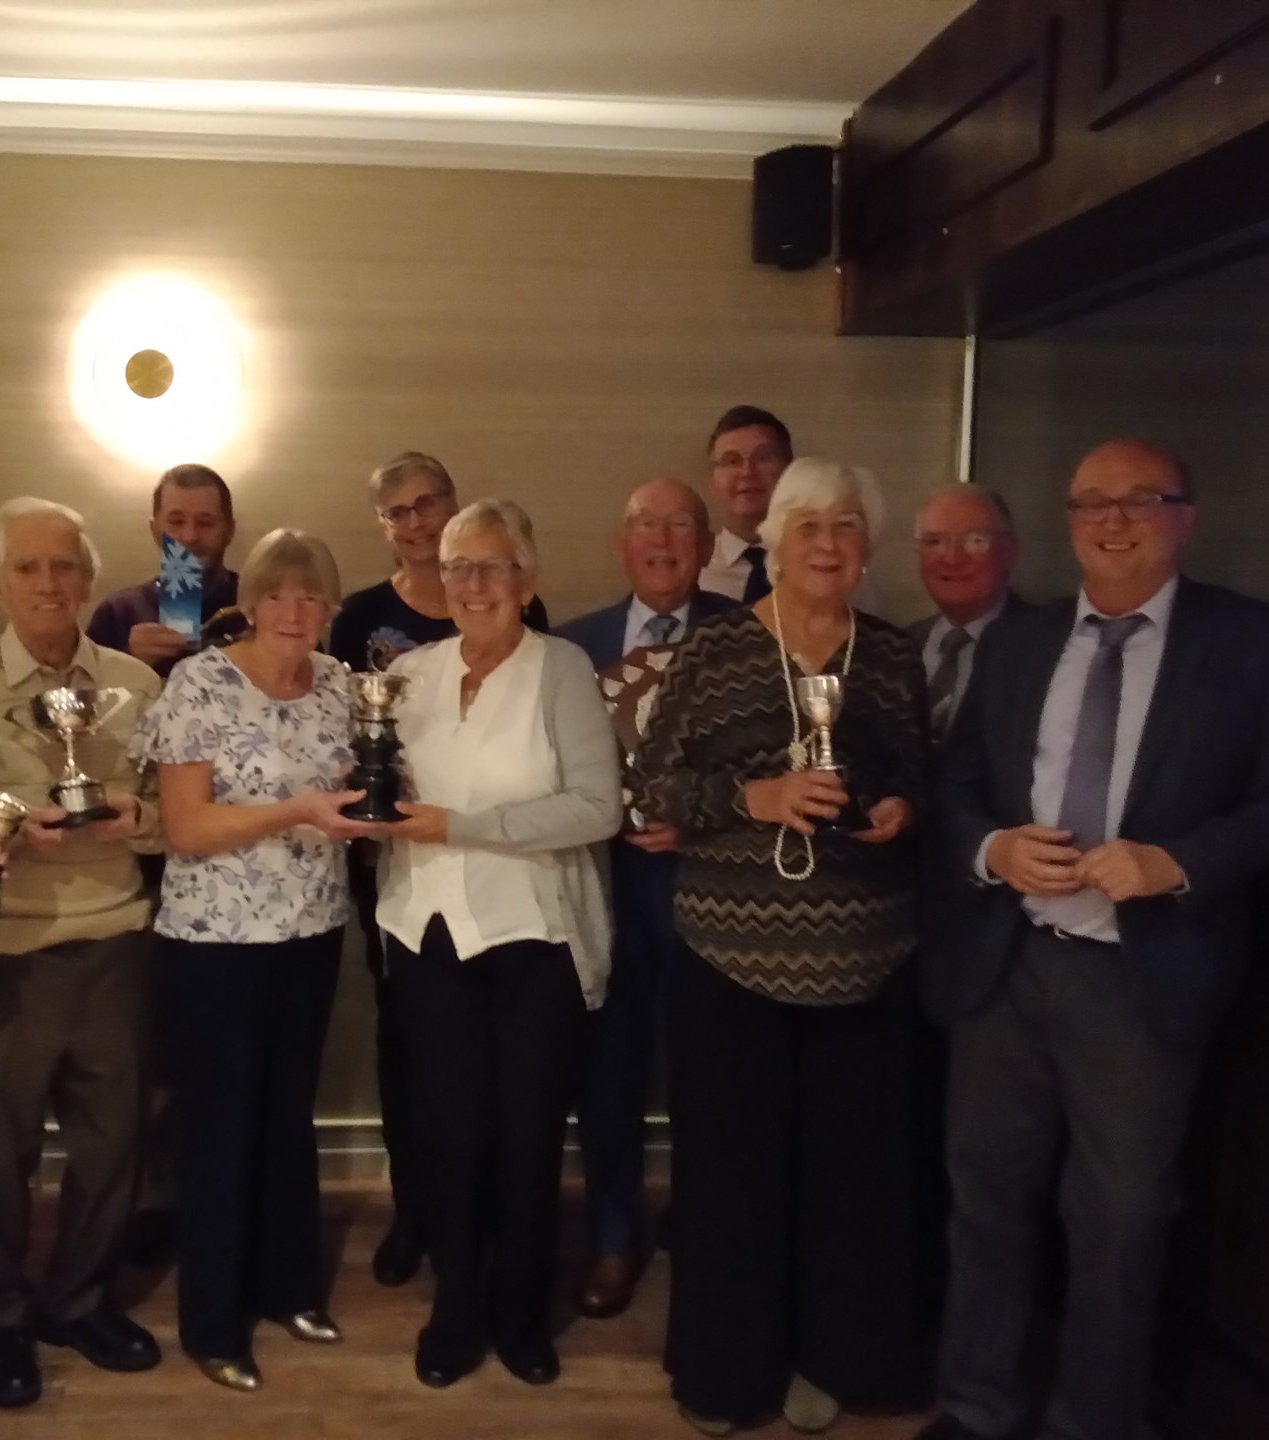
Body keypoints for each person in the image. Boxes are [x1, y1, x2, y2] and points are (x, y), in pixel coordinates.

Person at [916, 441, 1269, 1440]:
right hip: (1010, 965)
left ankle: (1094, 1423)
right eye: (1090, 502)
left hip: (1140, 980)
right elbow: (956, 785)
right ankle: (976, 1407)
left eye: (1141, 499)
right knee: (987, 1204)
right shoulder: (1020, 642)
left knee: (1121, 1225)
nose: (1112, 518)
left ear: (1186, 516)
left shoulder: (1253, 641)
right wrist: (994, 849)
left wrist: (1174, 864)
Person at [636, 457, 931, 1435]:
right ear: (773, 541)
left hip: (867, 964)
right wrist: (753, 799)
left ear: (867, 546)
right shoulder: (716, 652)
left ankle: (834, 1361)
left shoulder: (890, 656)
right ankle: (728, 1374)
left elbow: (919, 776)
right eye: (809, 527)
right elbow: (654, 788)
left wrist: (900, 807)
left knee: (850, 1184)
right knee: (734, 1180)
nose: (829, 545)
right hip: (734, 964)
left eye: (848, 527)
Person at [0, 498, 164, 1408]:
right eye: (28, 569)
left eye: (65, 567)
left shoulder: (136, 681)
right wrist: (3, 826)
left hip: (114, 942)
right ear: (0, 583)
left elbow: (173, 807)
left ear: (90, 579)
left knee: (112, 1143)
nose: (50, 584)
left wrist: (144, 821)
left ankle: (78, 1299)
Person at [375, 498, 621, 1389]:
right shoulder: (412, 674)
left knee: (525, 1135)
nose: (473, 584)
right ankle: (457, 1306)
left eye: (491, 566)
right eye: (457, 567)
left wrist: (460, 824)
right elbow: (383, 785)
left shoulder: (561, 670)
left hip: (533, 939)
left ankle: (520, 1310)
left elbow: (598, 808)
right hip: (427, 932)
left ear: (528, 579)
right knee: (449, 1133)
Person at [134, 529, 375, 1392]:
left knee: (285, 1121)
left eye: (313, 598)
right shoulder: (201, 682)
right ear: (252, 601)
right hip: (215, 946)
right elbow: (188, 828)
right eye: (279, 595)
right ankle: (212, 1322)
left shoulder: (342, 686)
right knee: (220, 1131)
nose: (295, 612)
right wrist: (298, 811)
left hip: (310, 930)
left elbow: (362, 788)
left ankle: (289, 1288)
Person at [326, 451, 548, 1289]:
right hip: (399, 868)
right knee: (410, 1051)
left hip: (499, 875)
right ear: (384, 527)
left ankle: (487, 1217)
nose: (416, 524)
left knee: (491, 1065)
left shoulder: (521, 606)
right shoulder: (360, 619)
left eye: (429, 506)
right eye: (399, 513)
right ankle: (418, 1209)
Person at [555, 477, 738, 1320]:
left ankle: (709, 1231)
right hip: (604, 891)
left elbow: (770, 767)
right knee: (608, 1077)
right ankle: (614, 1236)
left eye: (678, 525)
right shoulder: (571, 646)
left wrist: (704, 824)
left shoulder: (747, 637)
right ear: (620, 543)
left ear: (704, 544)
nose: (662, 540)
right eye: (644, 525)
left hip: (717, 898)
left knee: (712, 1075)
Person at [87, 462, 241, 676]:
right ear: (154, 530)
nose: (190, 536)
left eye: (205, 523)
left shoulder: (260, 606)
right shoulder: (118, 612)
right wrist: (130, 660)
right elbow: (91, 698)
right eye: (176, 521)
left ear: (229, 531)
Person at [907, 485, 1024, 740]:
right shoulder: (899, 646)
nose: (951, 558)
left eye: (975, 541)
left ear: (1009, 552)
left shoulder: (1044, 648)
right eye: (934, 542)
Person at [697, 406, 794, 604]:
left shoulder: (826, 566)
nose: (747, 472)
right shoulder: (690, 573)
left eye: (764, 457)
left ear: (791, 471)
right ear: (711, 480)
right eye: (732, 461)